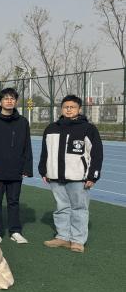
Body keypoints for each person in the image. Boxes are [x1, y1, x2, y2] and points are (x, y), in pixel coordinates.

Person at [39, 95, 104, 253]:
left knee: (79, 209)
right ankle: (62, 237)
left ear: (79, 109)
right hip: (55, 176)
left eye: (72, 107)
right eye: (66, 107)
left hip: (78, 178)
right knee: (61, 207)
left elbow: (97, 154)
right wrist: (43, 170)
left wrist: (92, 176)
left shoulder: (88, 129)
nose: (69, 110)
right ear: (61, 109)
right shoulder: (51, 128)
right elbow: (45, 152)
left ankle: (77, 240)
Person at [0, 88, 33, 244]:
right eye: (6, 98)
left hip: (15, 169)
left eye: (12, 98)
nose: (9, 101)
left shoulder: (22, 122)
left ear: (16, 101)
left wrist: (26, 167)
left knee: (13, 201)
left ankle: (15, 231)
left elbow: (27, 146)